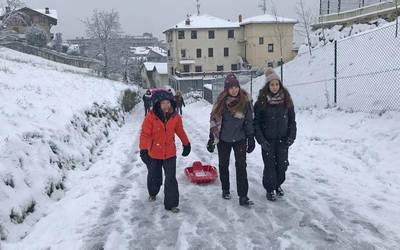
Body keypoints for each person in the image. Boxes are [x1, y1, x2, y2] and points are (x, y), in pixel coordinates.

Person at [206, 73, 256, 207]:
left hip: (240, 138)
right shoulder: (221, 102)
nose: (234, 89)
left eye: (236, 87)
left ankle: (243, 196)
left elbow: (249, 121)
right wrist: (212, 138)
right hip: (223, 139)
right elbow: (214, 120)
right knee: (223, 165)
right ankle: (225, 189)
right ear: (227, 89)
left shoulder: (245, 101)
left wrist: (251, 137)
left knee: (241, 166)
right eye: (231, 87)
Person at [139, 90, 191, 213]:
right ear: (157, 104)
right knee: (154, 176)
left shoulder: (175, 117)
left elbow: (180, 130)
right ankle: (153, 192)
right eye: (163, 103)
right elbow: (145, 134)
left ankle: (172, 204)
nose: (166, 106)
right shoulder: (150, 118)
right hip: (154, 153)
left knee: (171, 178)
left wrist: (186, 143)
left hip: (170, 153)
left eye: (168, 103)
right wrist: (143, 150)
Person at [253, 68, 297, 201]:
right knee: (270, 166)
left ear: (280, 85)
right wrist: (261, 141)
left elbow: (292, 121)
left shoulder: (287, 101)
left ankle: (278, 185)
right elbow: (256, 124)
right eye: (272, 84)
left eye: (277, 84)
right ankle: (270, 189)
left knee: (282, 165)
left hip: (283, 140)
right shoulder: (261, 102)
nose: (274, 87)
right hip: (268, 141)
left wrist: (291, 137)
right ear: (268, 86)